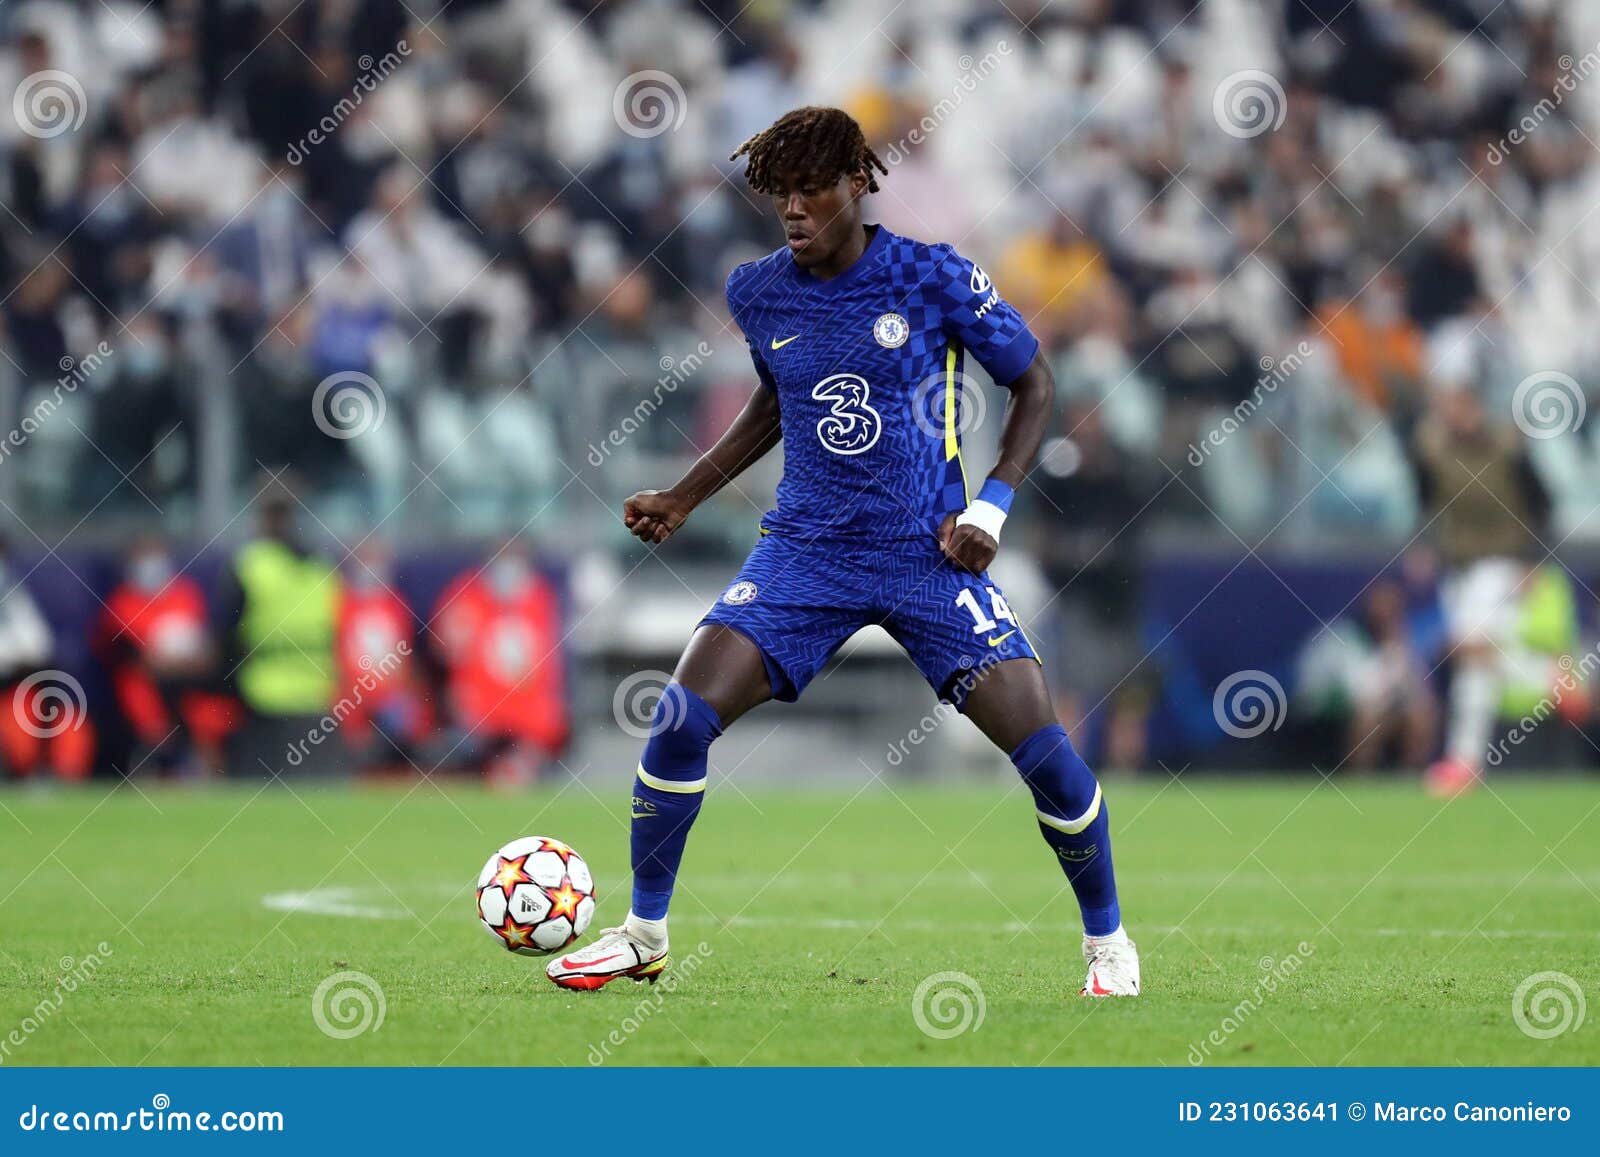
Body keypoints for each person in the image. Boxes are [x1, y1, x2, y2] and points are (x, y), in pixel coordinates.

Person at [548, 107, 1137, 997]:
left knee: (1046, 752)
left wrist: (994, 505)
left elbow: (1034, 379)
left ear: (858, 184)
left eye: (812, 188)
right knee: (678, 720)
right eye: (780, 192)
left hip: (933, 556)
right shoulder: (758, 290)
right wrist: (684, 495)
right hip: (805, 555)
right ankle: (643, 933)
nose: (793, 208)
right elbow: (776, 402)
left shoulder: (934, 276)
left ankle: (1108, 943)